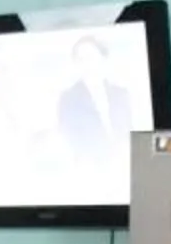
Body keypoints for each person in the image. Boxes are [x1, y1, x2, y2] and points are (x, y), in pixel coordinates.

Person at [55, 34, 137, 173]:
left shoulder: (121, 94)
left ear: (102, 58)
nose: (86, 63)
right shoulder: (68, 99)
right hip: (90, 168)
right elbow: (67, 137)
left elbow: (128, 130)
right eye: (81, 59)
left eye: (90, 56)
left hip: (124, 164)